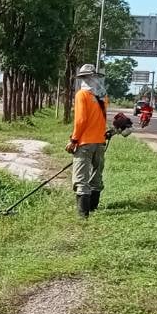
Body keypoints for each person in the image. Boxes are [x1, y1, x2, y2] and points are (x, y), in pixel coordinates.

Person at [65, 63, 109, 218]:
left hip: (85, 143)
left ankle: (83, 214)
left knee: (81, 178)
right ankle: (93, 207)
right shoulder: (103, 97)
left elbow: (81, 120)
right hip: (100, 142)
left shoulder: (81, 95)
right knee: (96, 175)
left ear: (83, 79)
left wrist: (74, 140)